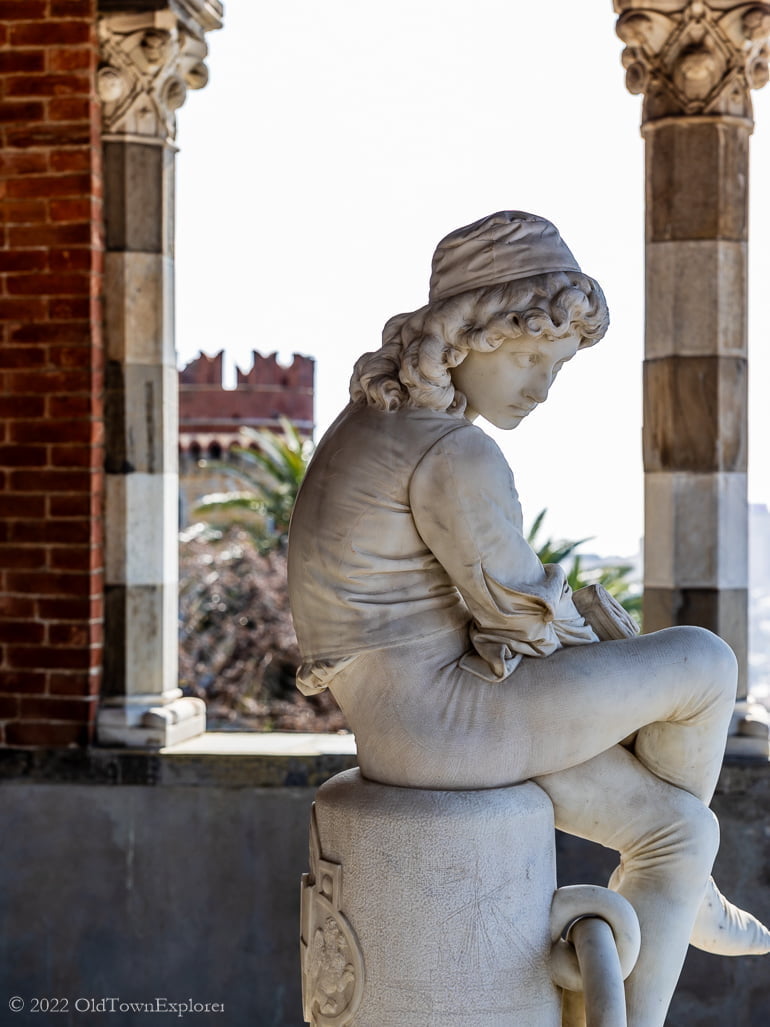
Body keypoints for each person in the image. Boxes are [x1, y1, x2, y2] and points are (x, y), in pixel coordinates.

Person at [287, 211, 769, 1026]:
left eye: (558, 366)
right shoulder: (452, 451)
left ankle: (684, 874)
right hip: (448, 723)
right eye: (531, 357)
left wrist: (598, 672)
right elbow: (521, 620)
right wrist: (612, 665)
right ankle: (687, 886)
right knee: (703, 661)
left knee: (677, 828)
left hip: (407, 725)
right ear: (465, 334)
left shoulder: (367, 427)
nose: (543, 387)